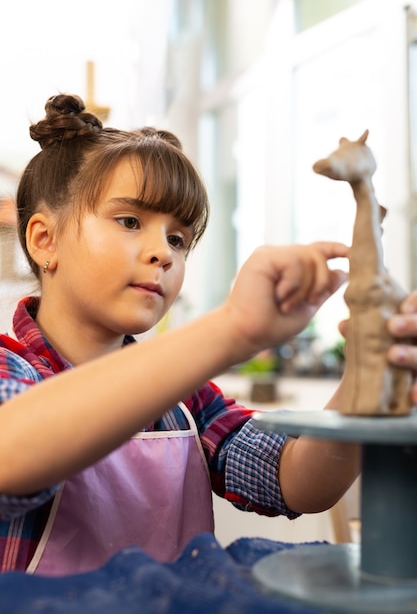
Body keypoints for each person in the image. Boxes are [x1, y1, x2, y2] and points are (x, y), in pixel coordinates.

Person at [0, 94, 415, 577]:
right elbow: (14, 451)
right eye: (130, 221)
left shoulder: (184, 401)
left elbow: (295, 481)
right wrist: (233, 327)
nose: (163, 253)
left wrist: (368, 374)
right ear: (44, 240)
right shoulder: (11, 371)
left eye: (178, 238)